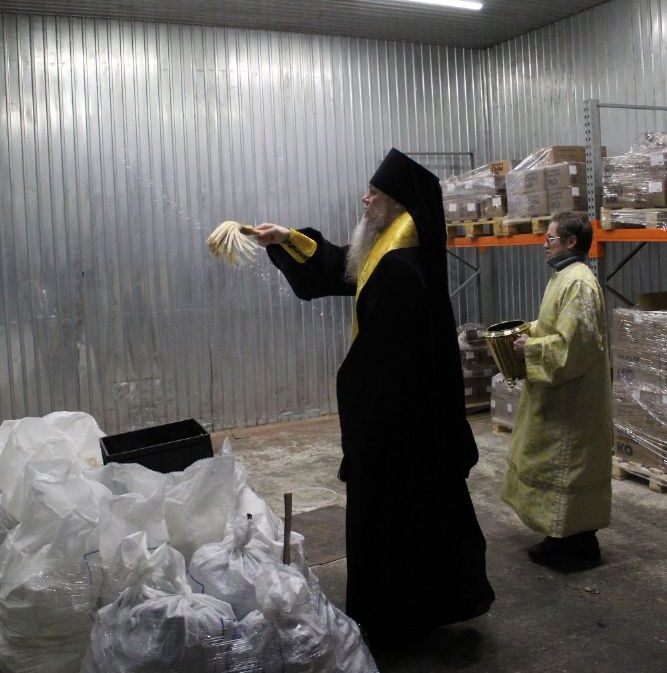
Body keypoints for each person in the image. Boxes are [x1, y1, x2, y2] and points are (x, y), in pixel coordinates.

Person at [254, 148, 494, 647]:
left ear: (397, 204)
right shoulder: (391, 251)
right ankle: (416, 610)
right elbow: (343, 266)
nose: (365, 200)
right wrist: (286, 239)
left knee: (394, 523)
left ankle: (396, 623)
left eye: (374, 193)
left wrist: (360, 418)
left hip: (397, 429)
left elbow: (381, 365)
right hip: (406, 421)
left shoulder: (401, 268)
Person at [501, 211, 613, 570]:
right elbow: (555, 323)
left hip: (573, 400)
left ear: (570, 242)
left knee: (568, 468)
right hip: (560, 397)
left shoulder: (578, 283)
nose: (543, 245)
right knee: (554, 466)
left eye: (549, 238)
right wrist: (529, 330)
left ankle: (578, 546)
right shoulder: (564, 277)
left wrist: (531, 349)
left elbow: (576, 346)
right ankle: (561, 537)